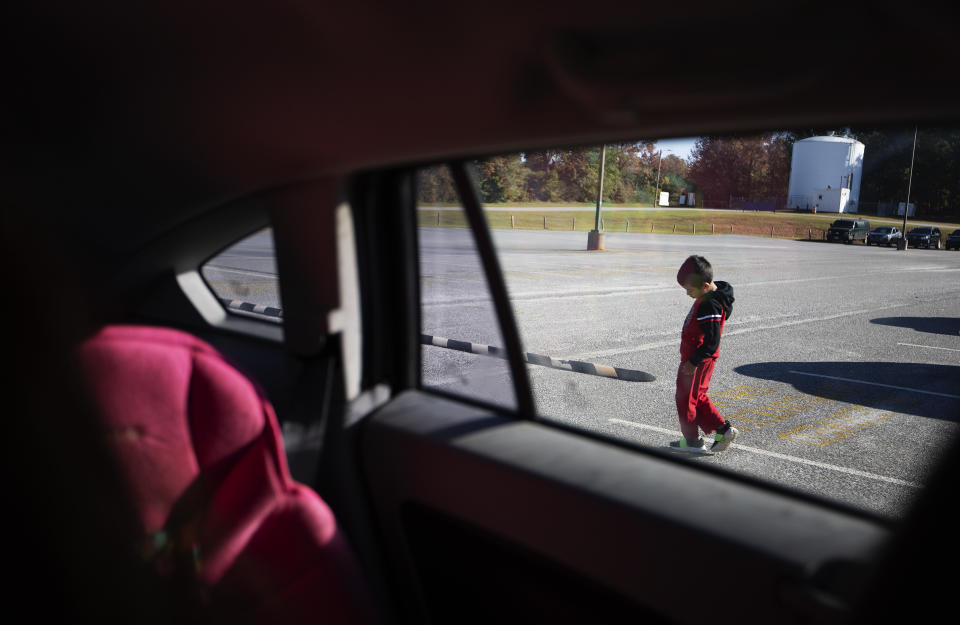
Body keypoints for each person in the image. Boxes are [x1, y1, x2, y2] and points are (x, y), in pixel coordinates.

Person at [671, 255, 738, 452]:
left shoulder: (709, 304)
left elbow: (712, 340)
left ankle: (694, 440)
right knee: (695, 397)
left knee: (686, 399)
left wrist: (693, 360)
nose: (687, 294)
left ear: (706, 285)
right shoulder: (708, 297)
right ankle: (721, 431)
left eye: (690, 290)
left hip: (698, 360)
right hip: (697, 358)